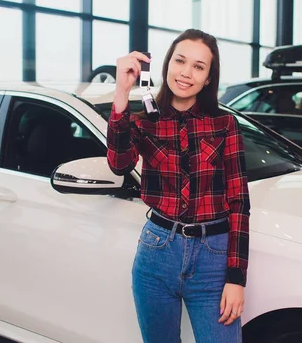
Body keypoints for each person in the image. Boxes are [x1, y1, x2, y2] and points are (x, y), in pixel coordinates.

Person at [106, 29, 250, 343]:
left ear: (209, 78)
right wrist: (121, 91)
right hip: (157, 252)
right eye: (180, 61)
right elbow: (119, 164)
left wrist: (236, 277)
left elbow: (239, 202)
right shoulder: (145, 122)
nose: (186, 72)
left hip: (213, 257)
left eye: (199, 66)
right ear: (167, 64)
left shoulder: (225, 125)